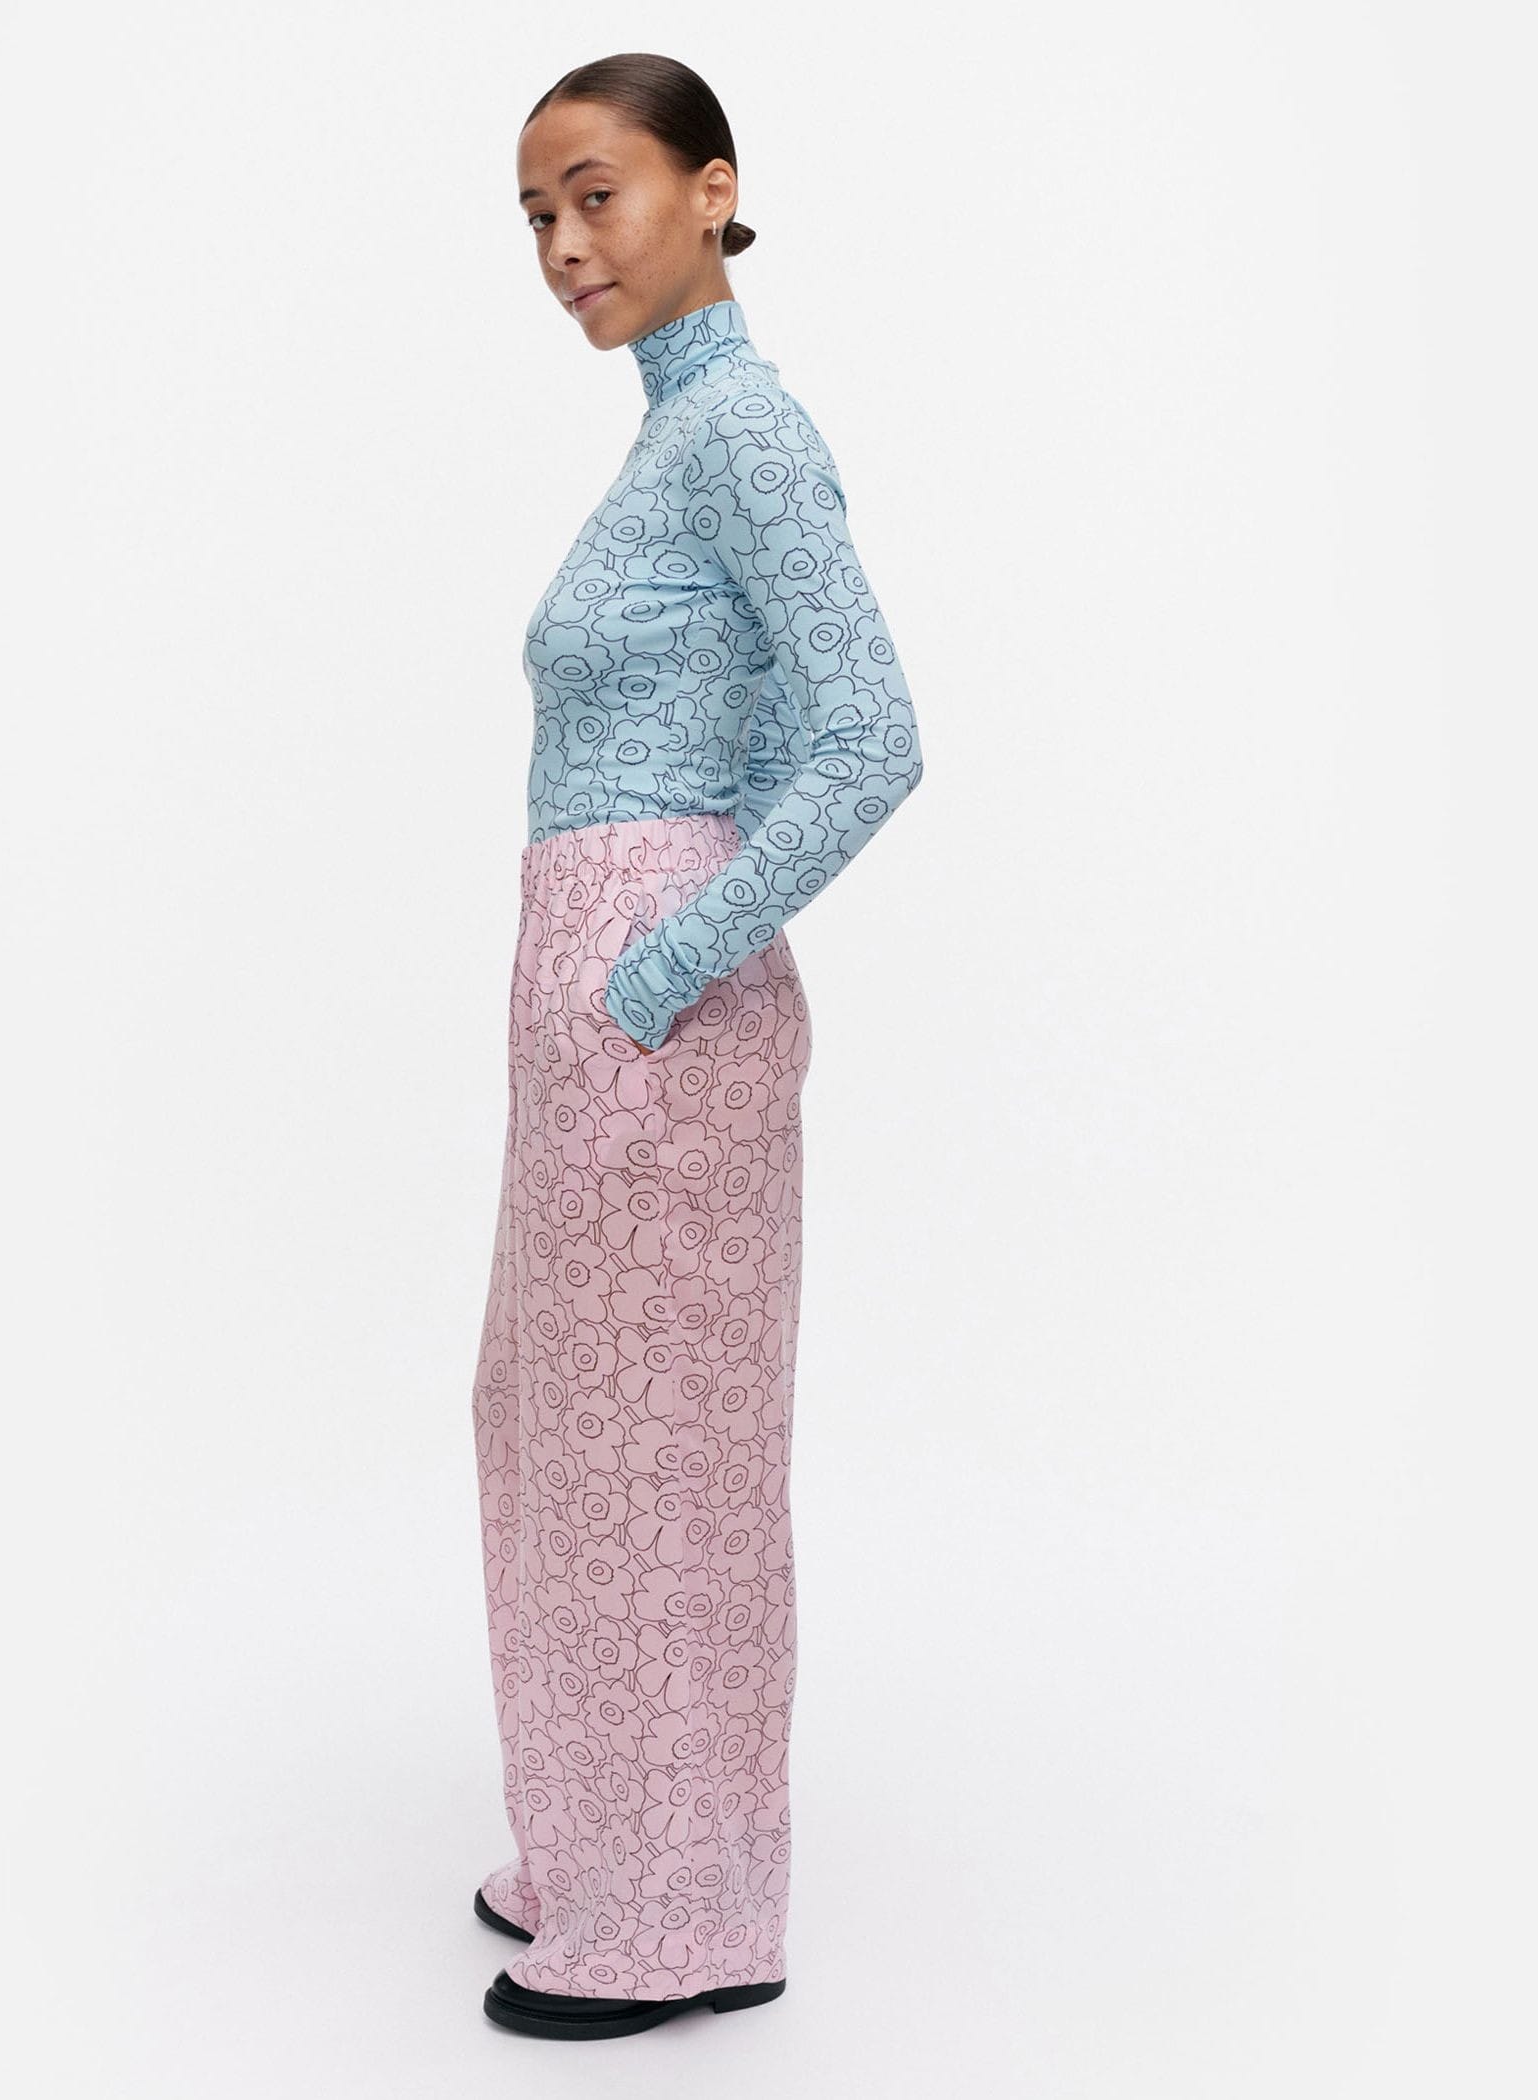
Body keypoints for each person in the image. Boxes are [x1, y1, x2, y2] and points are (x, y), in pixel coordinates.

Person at [471, 52, 924, 2040]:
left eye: (599, 194)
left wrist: (659, 967)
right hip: (596, 1014)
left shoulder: (744, 426)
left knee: (662, 1464)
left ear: (714, 189)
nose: (565, 245)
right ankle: (589, 1845)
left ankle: (682, 1921)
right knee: (544, 1423)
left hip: (658, 1022)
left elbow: (870, 736)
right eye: (537, 217)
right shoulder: (668, 438)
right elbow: (768, 728)